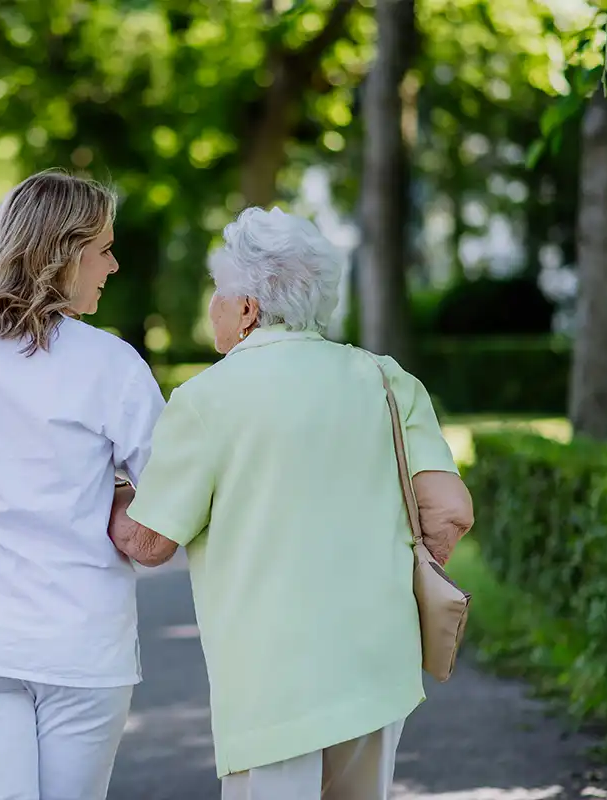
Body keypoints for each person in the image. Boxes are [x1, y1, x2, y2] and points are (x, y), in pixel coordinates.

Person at [109, 207, 474, 799]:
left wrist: (111, 492)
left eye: (218, 293)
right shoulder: (385, 379)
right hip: (378, 664)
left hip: (270, 682)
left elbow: (150, 543)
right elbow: (451, 511)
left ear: (248, 309)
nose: (213, 306)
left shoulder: (205, 400)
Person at [0, 170, 165, 800]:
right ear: (64, 253)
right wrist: (117, 493)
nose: (113, 266)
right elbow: (168, 501)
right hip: (83, 646)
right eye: (103, 249)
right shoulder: (111, 364)